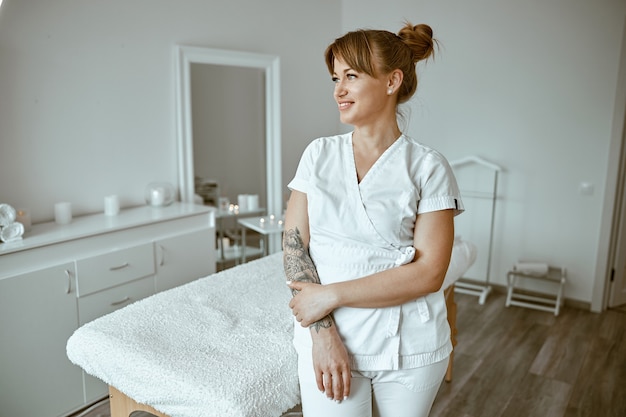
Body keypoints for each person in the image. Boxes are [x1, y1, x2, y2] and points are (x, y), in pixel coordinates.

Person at [282, 21, 464, 417]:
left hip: (410, 345)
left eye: (351, 76)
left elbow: (430, 272)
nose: (338, 90)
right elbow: (295, 246)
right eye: (335, 77)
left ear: (391, 81)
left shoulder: (428, 167)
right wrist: (323, 331)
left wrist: (331, 295)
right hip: (329, 336)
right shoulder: (319, 155)